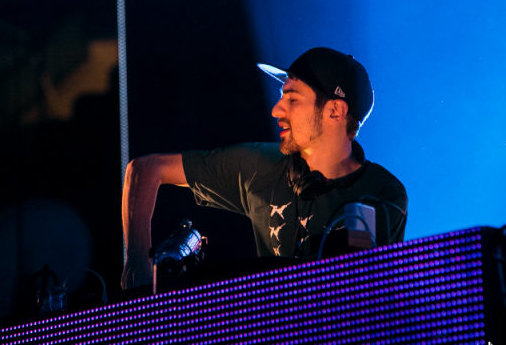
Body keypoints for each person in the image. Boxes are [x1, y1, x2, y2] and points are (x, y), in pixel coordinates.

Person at [121, 47, 407, 289]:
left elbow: (366, 299)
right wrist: (137, 258)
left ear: (335, 111)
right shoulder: (259, 164)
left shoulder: (383, 194)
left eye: (292, 99)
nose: (276, 110)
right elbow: (145, 169)